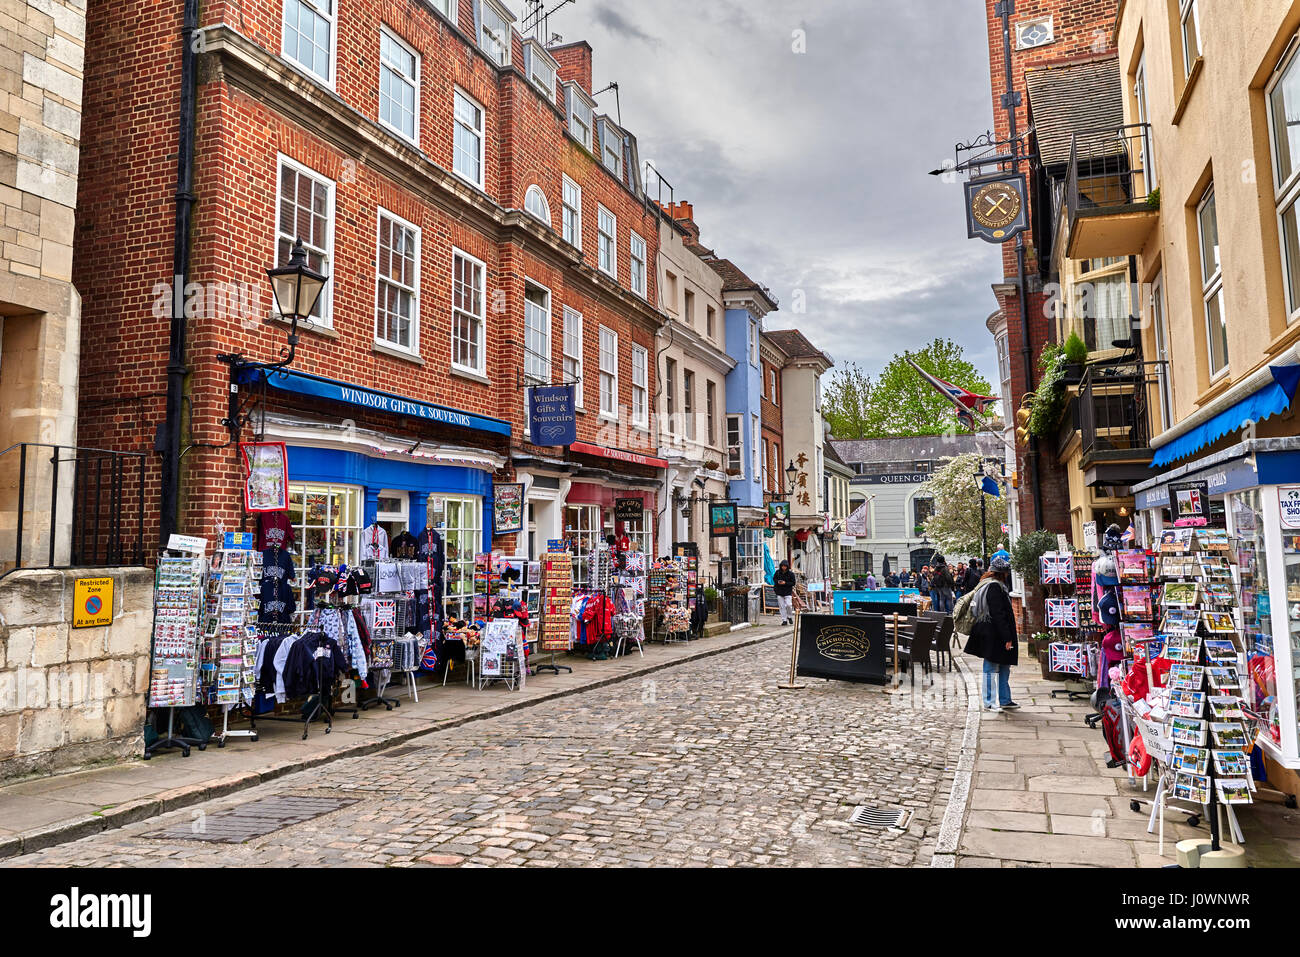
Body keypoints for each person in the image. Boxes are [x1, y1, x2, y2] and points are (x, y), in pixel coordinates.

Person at [963, 556, 1019, 712]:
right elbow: (997, 613)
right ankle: (989, 701)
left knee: (1003, 666)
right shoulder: (994, 587)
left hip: (993, 632)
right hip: (993, 633)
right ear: (1002, 573)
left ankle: (1005, 699)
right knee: (991, 666)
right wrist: (1007, 637)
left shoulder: (993, 585)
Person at [773, 560, 797, 626]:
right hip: (779, 591)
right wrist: (778, 582)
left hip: (787, 591)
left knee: (789, 605)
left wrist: (785, 583)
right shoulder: (777, 572)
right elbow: (774, 579)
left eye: (785, 566)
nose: (784, 567)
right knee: (782, 606)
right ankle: (784, 620)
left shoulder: (791, 574)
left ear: (787, 566)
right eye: (782, 566)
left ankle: (789, 616)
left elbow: (793, 583)